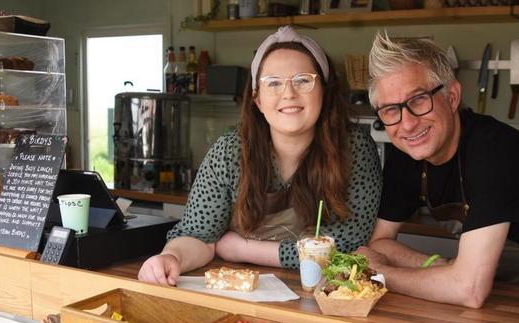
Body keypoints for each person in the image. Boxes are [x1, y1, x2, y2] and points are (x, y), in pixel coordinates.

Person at [138, 26, 382, 285]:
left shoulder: (354, 148)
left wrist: (244, 250)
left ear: (324, 90)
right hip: (240, 291)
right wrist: (171, 257)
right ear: (258, 100)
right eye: (273, 83)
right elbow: (199, 237)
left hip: (324, 294)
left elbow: (350, 244)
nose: (288, 93)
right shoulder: (229, 152)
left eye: (303, 80)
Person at [357, 32, 519, 308]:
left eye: (419, 99)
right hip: (499, 291)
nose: (408, 124)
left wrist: (379, 274)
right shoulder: (407, 154)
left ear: (452, 97)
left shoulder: (495, 149)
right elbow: (379, 244)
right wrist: (435, 264)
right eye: (391, 109)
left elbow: (469, 290)